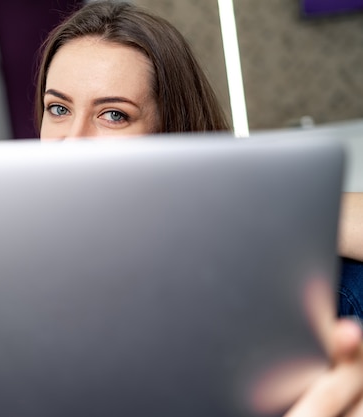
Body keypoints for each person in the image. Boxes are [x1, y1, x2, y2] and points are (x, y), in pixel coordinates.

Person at [33, 1, 363, 415]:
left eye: (114, 114)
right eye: (58, 109)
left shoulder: (305, 286)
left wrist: (275, 207)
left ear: (169, 129)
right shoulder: (14, 290)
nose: (73, 140)